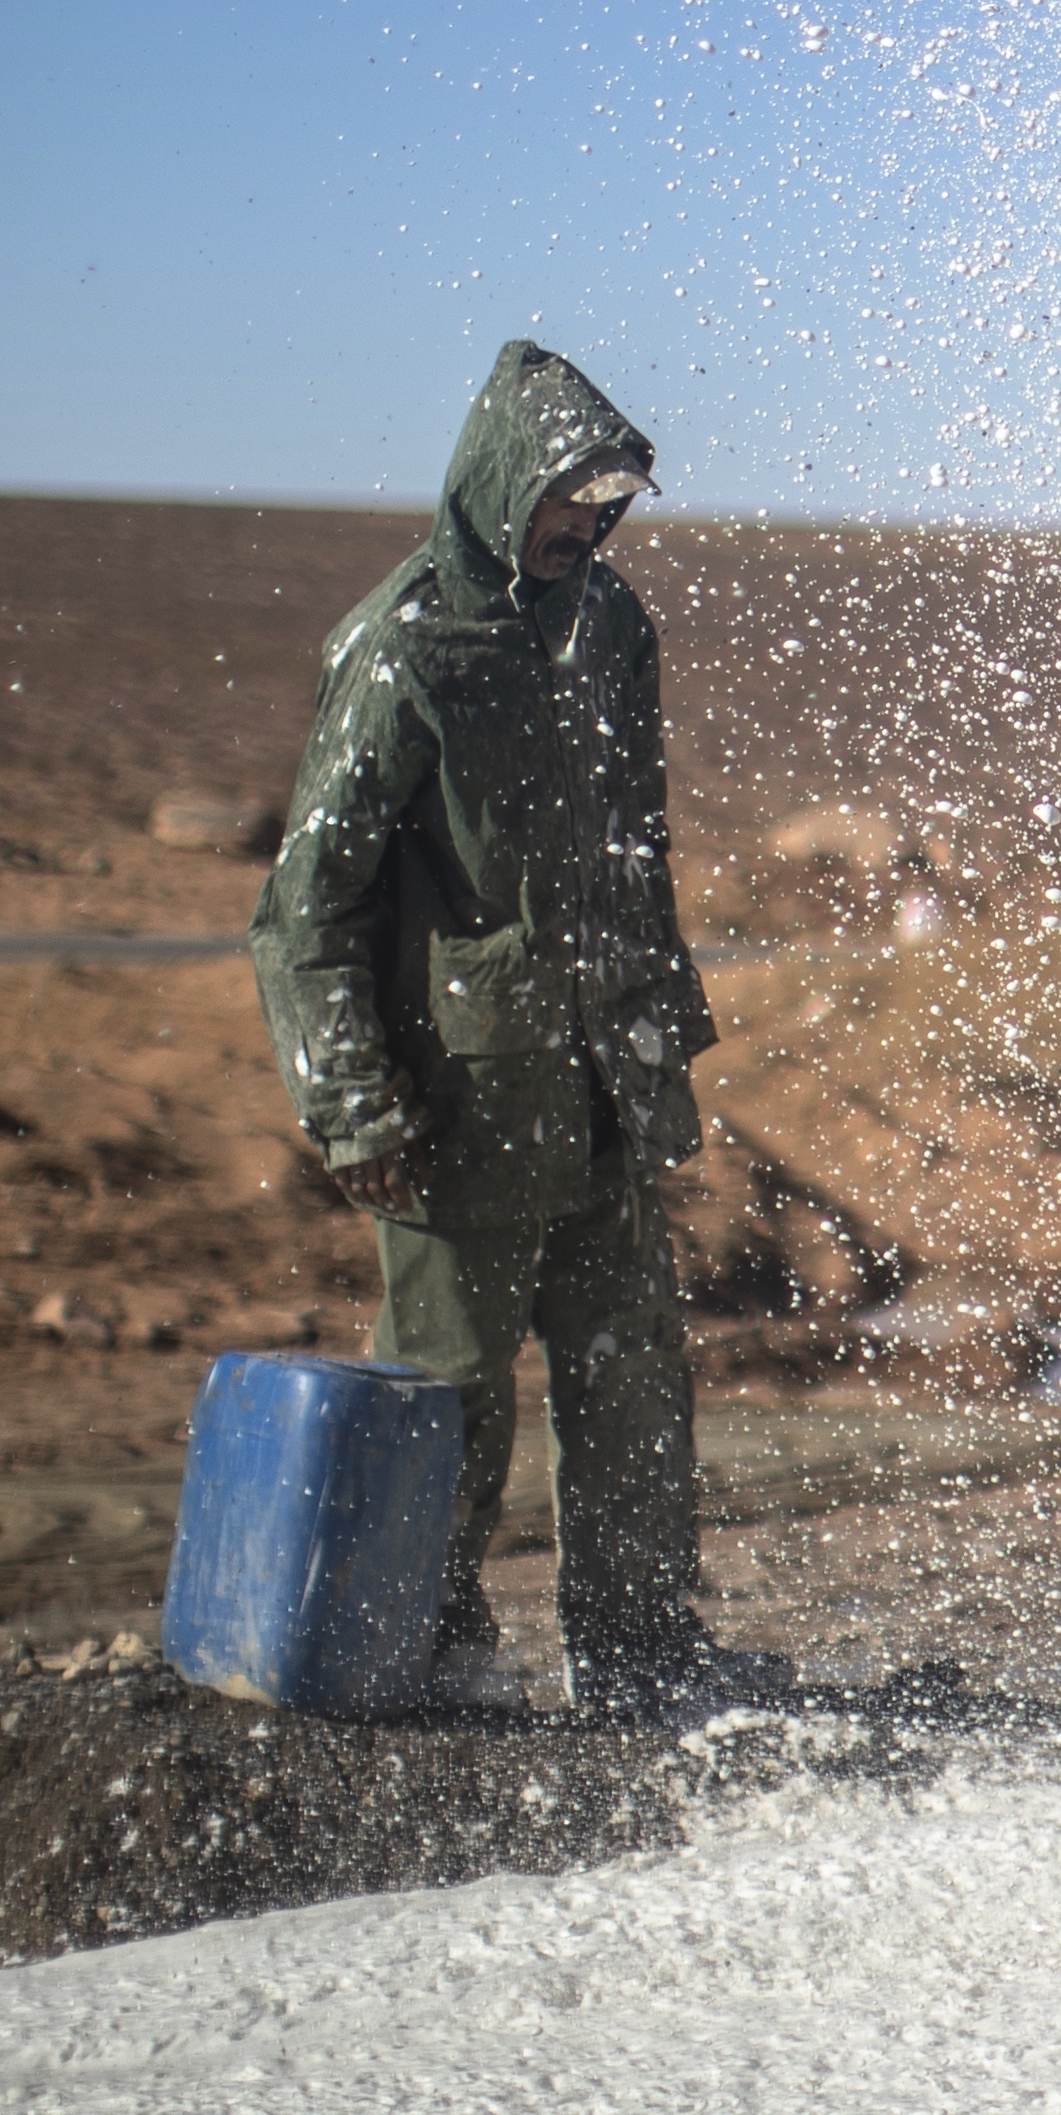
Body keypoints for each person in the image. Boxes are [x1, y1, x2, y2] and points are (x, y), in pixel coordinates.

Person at [249, 339, 748, 1714]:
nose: (583, 530)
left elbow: (634, 857)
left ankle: (642, 1655)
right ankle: (429, 1663)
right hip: (458, 1110)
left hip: (599, 1090)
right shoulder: (409, 644)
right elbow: (306, 905)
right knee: (451, 1405)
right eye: (563, 501)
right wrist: (352, 1104)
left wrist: (651, 1060)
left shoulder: (613, 630)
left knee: (634, 1379)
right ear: (499, 483)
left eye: (605, 507)